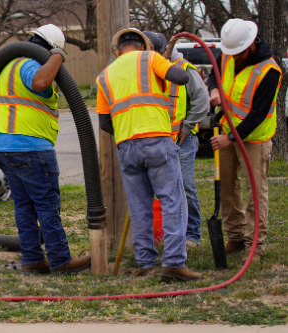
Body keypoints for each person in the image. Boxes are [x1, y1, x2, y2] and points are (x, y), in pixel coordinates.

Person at [97, 29, 202, 281]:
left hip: (126, 146)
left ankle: (146, 263)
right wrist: (161, 61)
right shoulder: (150, 58)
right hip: (157, 141)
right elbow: (180, 77)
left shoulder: (105, 76)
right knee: (173, 201)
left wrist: (127, 133)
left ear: (118, 50)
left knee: (139, 206)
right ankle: (174, 263)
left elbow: (104, 122)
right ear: (143, 45)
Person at [0, 24, 91, 275]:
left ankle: (33, 259)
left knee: (24, 206)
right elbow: (40, 81)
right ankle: (60, 260)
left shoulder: (9, 65)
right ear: (51, 46)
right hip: (30, 146)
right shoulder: (29, 65)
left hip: (6, 146)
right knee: (47, 204)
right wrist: (58, 55)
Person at [208, 19, 282, 263]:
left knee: (255, 193)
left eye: (239, 52)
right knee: (228, 188)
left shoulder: (269, 71)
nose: (235, 57)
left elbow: (257, 114)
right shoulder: (228, 54)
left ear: (251, 43)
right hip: (229, 130)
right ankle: (236, 235)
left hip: (254, 139)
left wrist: (230, 138)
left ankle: (255, 245)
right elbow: (213, 75)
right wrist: (214, 91)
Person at [143, 31, 210, 249]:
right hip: (155, 140)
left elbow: (202, 101)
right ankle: (163, 233)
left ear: (163, 51)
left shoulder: (184, 70)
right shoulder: (146, 70)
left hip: (182, 141)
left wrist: (187, 127)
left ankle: (192, 234)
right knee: (157, 190)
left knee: (185, 187)